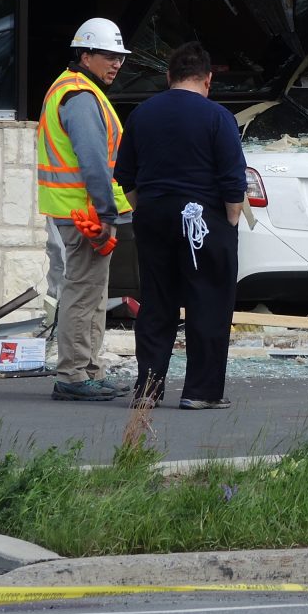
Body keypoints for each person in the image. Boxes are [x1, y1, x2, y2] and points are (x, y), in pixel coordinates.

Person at [116, 42, 247, 409]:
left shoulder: (142, 113)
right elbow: (232, 180)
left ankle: (148, 389)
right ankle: (200, 393)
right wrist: (230, 223)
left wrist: (149, 209)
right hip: (203, 220)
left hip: (154, 216)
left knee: (158, 302)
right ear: (208, 80)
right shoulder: (218, 116)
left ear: (168, 77)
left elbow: (125, 175)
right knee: (208, 302)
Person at [35, 17, 135, 401]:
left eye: (120, 58)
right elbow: (94, 163)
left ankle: (89, 369)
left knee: (92, 293)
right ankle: (74, 375)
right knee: (82, 293)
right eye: (109, 56)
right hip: (85, 216)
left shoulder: (76, 91)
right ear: (85, 54)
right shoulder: (79, 97)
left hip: (83, 212)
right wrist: (108, 216)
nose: (116, 64)